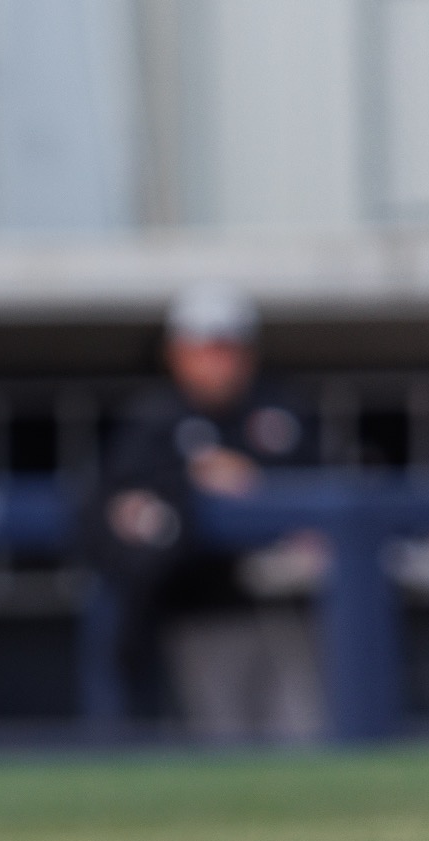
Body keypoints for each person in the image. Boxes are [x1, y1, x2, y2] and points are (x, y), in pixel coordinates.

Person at [89, 283, 324, 742]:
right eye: (204, 349)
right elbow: (116, 504)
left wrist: (256, 484)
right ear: (177, 354)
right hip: (200, 608)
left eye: (228, 349)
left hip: (290, 606)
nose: (218, 362)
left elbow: (327, 492)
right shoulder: (152, 420)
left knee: (302, 733)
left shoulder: (282, 411)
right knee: (223, 742)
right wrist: (185, 484)